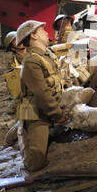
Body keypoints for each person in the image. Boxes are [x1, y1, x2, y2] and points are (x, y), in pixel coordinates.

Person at [15, 20, 73, 172]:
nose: (47, 33)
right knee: (35, 163)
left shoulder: (48, 54)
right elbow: (42, 93)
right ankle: (21, 131)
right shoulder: (31, 62)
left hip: (57, 101)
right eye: (42, 31)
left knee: (89, 93)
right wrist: (57, 115)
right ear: (33, 36)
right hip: (38, 113)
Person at [52, 14, 97, 93]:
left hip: (61, 74)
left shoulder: (55, 42)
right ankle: (92, 88)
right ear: (69, 22)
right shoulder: (79, 35)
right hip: (76, 74)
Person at [3, 31, 27, 146]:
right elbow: (13, 83)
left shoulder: (34, 51)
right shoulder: (12, 63)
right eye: (15, 40)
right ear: (12, 47)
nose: (19, 41)